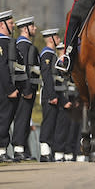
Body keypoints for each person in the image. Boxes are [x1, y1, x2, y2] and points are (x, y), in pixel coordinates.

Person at [0, 10, 20, 163]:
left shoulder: (3, 41)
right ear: (2, 25)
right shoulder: (0, 41)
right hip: (1, 86)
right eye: (10, 23)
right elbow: (1, 66)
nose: (13, 26)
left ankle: (2, 150)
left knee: (5, 117)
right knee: (2, 117)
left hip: (2, 85)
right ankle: (0, 151)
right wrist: (9, 89)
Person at [12, 17, 40, 160]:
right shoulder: (22, 45)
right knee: (22, 119)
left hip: (29, 90)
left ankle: (21, 148)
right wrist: (27, 89)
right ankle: (18, 149)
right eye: (32, 26)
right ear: (25, 29)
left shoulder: (28, 45)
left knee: (25, 118)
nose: (35, 28)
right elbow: (22, 70)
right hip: (25, 90)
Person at [38, 28, 60, 162]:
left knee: (52, 122)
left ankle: (48, 151)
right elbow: (46, 75)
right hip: (48, 94)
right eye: (57, 37)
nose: (59, 39)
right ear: (51, 39)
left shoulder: (52, 54)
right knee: (48, 121)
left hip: (52, 93)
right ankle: (44, 152)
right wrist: (52, 95)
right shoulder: (47, 54)